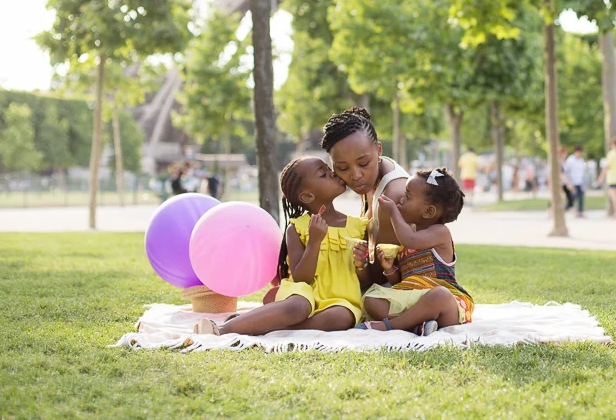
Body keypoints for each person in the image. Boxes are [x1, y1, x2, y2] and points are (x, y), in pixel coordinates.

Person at [193, 157, 369, 336]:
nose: (333, 173)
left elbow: (365, 277)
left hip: (340, 299)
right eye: (323, 174)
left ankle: (261, 323)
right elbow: (302, 278)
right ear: (307, 196)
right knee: (298, 307)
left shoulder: (358, 227)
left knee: (341, 318)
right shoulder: (298, 228)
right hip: (303, 293)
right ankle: (222, 330)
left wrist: (361, 264)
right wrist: (314, 242)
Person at [358, 167, 472, 334]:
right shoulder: (407, 237)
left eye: (408, 197)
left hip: (443, 306)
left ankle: (391, 325)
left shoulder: (439, 233)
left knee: (440, 295)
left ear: (428, 212)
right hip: (410, 297)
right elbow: (402, 281)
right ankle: (417, 326)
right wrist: (390, 269)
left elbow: (410, 239)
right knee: (370, 299)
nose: (401, 200)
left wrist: (392, 212)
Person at [320, 107, 409, 276]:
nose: (355, 175)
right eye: (342, 167)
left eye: (364, 163)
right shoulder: (372, 176)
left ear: (378, 150)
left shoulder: (392, 196)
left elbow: (377, 275)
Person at [562, 146, 588, 217]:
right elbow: (566, 171)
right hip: (573, 182)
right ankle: (566, 207)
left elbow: (584, 170)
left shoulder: (581, 160)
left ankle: (580, 211)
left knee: (581, 197)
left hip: (580, 182)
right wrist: (569, 182)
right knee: (573, 197)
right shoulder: (570, 160)